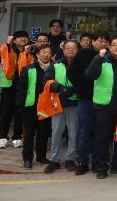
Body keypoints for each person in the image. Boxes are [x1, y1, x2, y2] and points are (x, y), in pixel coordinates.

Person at [86, 36, 117, 179]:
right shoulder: (101, 59)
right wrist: (98, 58)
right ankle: (101, 168)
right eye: (115, 45)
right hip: (104, 105)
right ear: (109, 47)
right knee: (102, 138)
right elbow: (90, 74)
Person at [73, 32, 108, 175]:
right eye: (100, 40)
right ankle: (82, 162)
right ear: (92, 41)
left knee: (99, 133)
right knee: (85, 132)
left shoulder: (109, 56)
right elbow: (72, 73)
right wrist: (83, 87)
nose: (103, 43)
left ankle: (96, 162)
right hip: (86, 99)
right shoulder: (83, 54)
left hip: (103, 100)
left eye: (105, 41)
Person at [43, 39, 80, 173]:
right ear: (63, 50)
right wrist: (60, 88)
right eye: (68, 48)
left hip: (75, 103)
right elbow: (47, 80)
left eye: (73, 47)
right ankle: (55, 160)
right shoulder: (55, 64)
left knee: (73, 133)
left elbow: (86, 81)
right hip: (57, 104)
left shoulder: (81, 65)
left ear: (77, 50)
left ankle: (70, 159)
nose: (71, 50)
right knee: (56, 132)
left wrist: (74, 89)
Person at [16, 43, 53, 169]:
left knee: (43, 133)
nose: (46, 55)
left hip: (46, 106)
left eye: (48, 52)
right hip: (31, 106)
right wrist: (20, 106)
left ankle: (41, 156)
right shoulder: (28, 69)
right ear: (37, 54)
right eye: (43, 52)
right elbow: (21, 88)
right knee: (29, 133)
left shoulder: (54, 68)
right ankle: (27, 158)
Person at [0, 31, 29, 150]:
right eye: (19, 37)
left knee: (20, 114)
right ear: (14, 40)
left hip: (23, 87)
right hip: (9, 87)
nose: (22, 39)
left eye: (24, 37)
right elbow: (0, 57)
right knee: (5, 113)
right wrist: (7, 43)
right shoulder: (8, 49)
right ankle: (3, 138)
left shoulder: (30, 51)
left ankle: (17, 137)